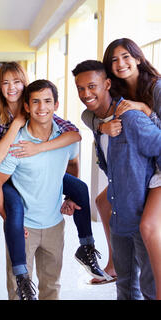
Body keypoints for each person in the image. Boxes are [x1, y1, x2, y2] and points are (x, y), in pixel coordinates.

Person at [0, 62, 105, 299]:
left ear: (55, 105)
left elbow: (74, 145)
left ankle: (87, 246)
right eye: (5, 83)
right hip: (22, 218)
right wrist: (9, 218)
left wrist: (68, 195)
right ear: (28, 107)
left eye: (17, 82)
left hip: (54, 225)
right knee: (20, 292)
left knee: (52, 288)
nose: (12, 88)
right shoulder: (11, 135)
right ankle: (6, 265)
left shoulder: (62, 134)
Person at [73, 59, 160, 299]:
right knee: (125, 287)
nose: (86, 94)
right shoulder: (97, 120)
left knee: (151, 289)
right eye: (80, 88)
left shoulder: (131, 118)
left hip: (142, 214)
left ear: (107, 84)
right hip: (120, 219)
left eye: (92, 86)